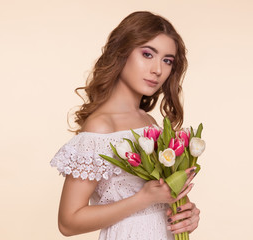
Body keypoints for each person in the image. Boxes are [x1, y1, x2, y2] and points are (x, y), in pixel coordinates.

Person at [50, 11, 200, 240]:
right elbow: (68, 222)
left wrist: (185, 213)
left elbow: (160, 203)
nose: (158, 70)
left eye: (167, 60)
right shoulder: (100, 127)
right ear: (121, 52)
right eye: (148, 54)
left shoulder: (149, 123)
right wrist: (144, 199)